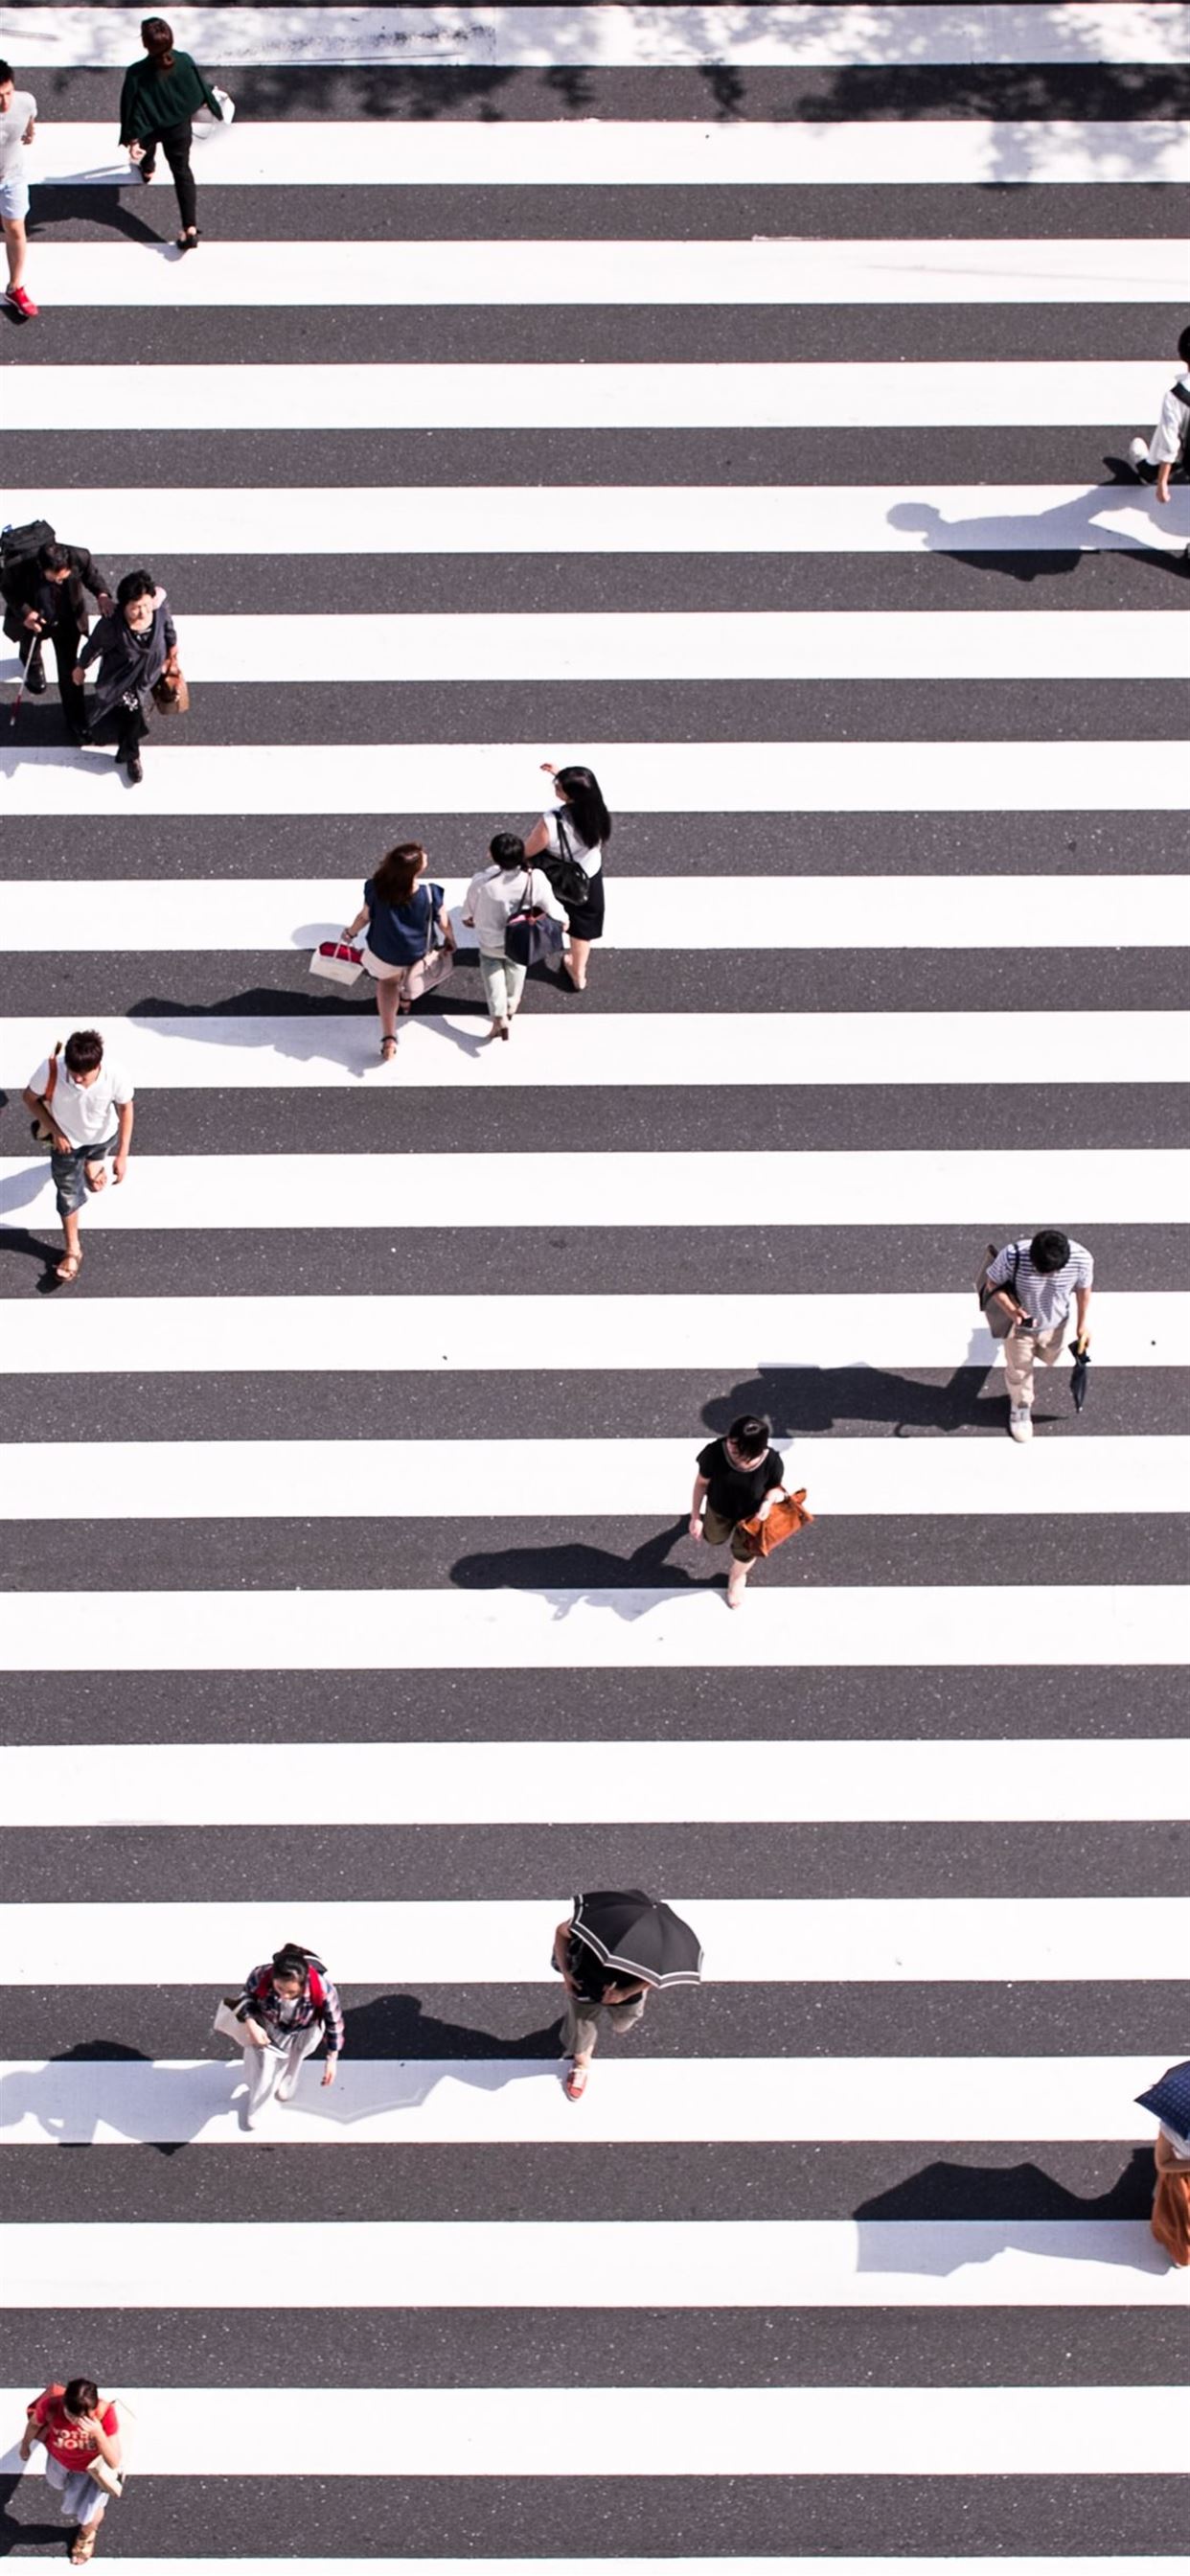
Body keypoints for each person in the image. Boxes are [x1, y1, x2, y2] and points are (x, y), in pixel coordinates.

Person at [21, 1030, 134, 1287]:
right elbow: (29, 1098)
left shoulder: (115, 1075)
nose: (79, 1080)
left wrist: (123, 1154)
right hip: (67, 1144)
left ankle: (92, 1165)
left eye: (85, 1075)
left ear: (99, 1065)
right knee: (68, 1194)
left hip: (104, 1136)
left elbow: (126, 1108)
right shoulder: (53, 1069)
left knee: (96, 1155)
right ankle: (73, 1250)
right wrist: (57, 1132)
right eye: (74, 1074)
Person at [341, 841, 455, 1062]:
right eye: (423, 857)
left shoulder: (376, 888)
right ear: (417, 870)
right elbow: (444, 923)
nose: (426, 856)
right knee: (412, 975)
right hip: (418, 950)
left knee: (388, 983)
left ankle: (389, 1037)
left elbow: (365, 916)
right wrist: (451, 940)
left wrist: (350, 933)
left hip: (384, 950)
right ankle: (406, 997)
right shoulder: (430, 894)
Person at [119, 15, 223, 251]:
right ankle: (190, 228)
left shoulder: (136, 73)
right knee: (182, 172)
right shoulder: (184, 61)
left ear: (145, 44)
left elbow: (130, 109)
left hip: (150, 127)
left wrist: (132, 138)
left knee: (149, 146)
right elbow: (197, 88)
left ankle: (147, 167)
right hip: (178, 128)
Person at [982, 1227, 1092, 1443]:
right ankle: (1021, 1406)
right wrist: (1012, 1311)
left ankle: (1024, 1385)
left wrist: (1082, 1325)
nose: (1044, 1276)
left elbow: (1083, 1290)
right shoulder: (1013, 1255)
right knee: (1020, 1369)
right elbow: (992, 1282)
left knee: (1050, 1357)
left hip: (1056, 1323)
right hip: (1020, 1328)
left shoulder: (1082, 1259)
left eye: (1050, 1273)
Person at [2, 538, 114, 741]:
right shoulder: (20, 566)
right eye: (54, 578)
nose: (60, 581)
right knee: (30, 646)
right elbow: (8, 589)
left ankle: (76, 719)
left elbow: (92, 577)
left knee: (69, 669)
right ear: (41, 567)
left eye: (64, 577)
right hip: (35, 616)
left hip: (67, 621)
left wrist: (102, 595)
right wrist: (26, 613)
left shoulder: (80, 556)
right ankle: (33, 664)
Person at [73, 568, 179, 783]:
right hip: (121, 679)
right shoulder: (112, 626)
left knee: (132, 708)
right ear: (124, 606)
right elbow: (93, 647)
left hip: (149, 674)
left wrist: (172, 655)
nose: (142, 613)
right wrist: (80, 667)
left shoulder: (159, 613)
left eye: (146, 606)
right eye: (135, 608)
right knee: (132, 715)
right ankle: (131, 755)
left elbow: (169, 631)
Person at [462, 830, 564, 1040]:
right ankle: (511, 1004)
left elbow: (468, 911)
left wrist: (468, 919)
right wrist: (563, 921)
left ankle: (499, 1014)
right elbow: (551, 906)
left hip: (491, 938)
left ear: (493, 855)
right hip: (521, 938)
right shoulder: (534, 878)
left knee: (491, 968)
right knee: (517, 966)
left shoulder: (483, 882)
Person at [521, 760, 611, 991]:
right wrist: (562, 774)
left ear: (569, 795)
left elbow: (530, 850)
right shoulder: (599, 814)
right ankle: (578, 972)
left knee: (540, 909)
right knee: (582, 927)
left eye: (559, 787)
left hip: (554, 876)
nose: (556, 789)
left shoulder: (552, 820)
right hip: (587, 876)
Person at [236, 1942, 344, 2129]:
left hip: (305, 2030)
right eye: (279, 1989)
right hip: (271, 2027)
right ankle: (257, 2105)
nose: (284, 1996)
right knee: (264, 2070)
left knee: (297, 2056)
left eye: (292, 1992)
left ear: (304, 1982)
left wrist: (332, 2058)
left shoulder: (323, 1989)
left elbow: (334, 2022)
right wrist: (252, 2023)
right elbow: (246, 1998)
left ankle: (289, 2079)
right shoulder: (261, 1975)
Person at [689, 1412, 788, 1609]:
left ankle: (737, 1578)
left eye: (736, 1448)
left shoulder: (771, 1461)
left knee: (745, 1553)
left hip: (751, 1519)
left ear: (755, 1449)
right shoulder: (715, 1452)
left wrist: (767, 1503)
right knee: (714, 1538)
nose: (729, 1447)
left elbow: (775, 1487)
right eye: (730, 1442)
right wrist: (695, 1516)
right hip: (719, 1509)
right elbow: (701, 1483)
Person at [18, 2379, 122, 2564]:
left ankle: (86, 2535)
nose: (75, 2421)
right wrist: (25, 2445)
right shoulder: (51, 2406)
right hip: (60, 2461)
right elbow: (34, 2424)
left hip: (90, 2473)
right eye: (71, 2414)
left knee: (90, 2511)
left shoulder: (105, 2414)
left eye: (83, 2417)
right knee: (56, 2484)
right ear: (64, 2402)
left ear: (94, 2407)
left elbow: (114, 2461)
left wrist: (98, 2433)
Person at [552, 1910, 648, 2102]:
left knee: (623, 2025)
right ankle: (580, 2066)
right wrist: (566, 1973)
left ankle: (619, 2012)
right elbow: (561, 1933)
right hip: (584, 1984)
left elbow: (653, 1978)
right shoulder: (592, 1925)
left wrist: (625, 1993)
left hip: (626, 1993)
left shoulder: (651, 1945)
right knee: (581, 2031)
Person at [1128, 323, 1190, 503]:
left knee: (1170, 435)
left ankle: (1149, 471)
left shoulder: (1177, 397)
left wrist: (1162, 482)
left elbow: (1169, 444)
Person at [0, 60, 38, 319]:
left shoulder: (24, 102)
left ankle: (15, 287)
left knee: (15, 229)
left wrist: (31, 132)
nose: (5, 102)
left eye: (8, 93)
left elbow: (30, 117)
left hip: (12, 176)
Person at [1151, 2123, 1190, 2267]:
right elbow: (1163, 2164)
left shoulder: (1173, 2125)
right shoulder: (1171, 2129)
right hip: (1183, 2179)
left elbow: (1163, 2163)